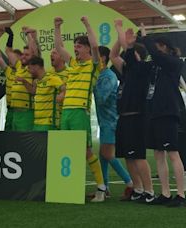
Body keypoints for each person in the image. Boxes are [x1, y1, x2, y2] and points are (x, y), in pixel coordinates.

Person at [54, 16, 106, 202]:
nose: (75, 49)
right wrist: (57, 27)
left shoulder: (93, 65)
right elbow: (59, 48)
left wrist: (86, 24)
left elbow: (95, 46)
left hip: (79, 112)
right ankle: (70, 187)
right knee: (67, 150)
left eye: (78, 46)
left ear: (86, 50)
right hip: (66, 111)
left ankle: (101, 188)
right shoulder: (74, 64)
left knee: (85, 151)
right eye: (74, 46)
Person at [140, 24, 185, 207]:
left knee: (173, 153)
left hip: (168, 112)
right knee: (158, 154)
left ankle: (181, 195)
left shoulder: (174, 62)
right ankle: (165, 193)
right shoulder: (156, 66)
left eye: (157, 46)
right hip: (155, 112)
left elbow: (156, 54)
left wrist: (145, 37)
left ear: (164, 47)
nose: (154, 51)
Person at [110, 20, 154, 203]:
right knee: (127, 156)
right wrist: (120, 41)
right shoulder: (126, 71)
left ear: (137, 55)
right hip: (123, 118)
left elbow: (127, 52)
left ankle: (149, 192)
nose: (126, 54)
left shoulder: (143, 69)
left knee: (138, 156)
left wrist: (119, 29)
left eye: (130, 51)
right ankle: (137, 189)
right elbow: (113, 55)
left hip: (137, 117)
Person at [94, 45, 133, 199]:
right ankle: (105, 188)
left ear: (102, 58)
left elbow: (102, 98)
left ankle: (130, 183)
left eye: (94, 56)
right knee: (103, 155)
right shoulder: (101, 75)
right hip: (104, 122)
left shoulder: (109, 76)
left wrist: (90, 86)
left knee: (107, 154)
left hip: (111, 122)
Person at [6, 26, 39, 131]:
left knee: (25, 145)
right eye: (23, 54)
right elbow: (8, 51)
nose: (23, 57)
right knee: (14, 144)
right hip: (15, 113)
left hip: (26, 113)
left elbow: (34, 51)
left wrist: (28, 35)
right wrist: (11, 36)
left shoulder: (33, 68)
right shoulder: (19, 65)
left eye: (27, 55)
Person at [23, 56, 65, 131]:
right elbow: (33, 92)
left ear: (36, 67)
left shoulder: (52, 78)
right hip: (37, 123)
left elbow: (64, 89)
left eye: (29, 68)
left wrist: (61, 95)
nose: (28, 71)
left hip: (49, 124)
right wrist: (24, 81)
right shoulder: (37, 81)